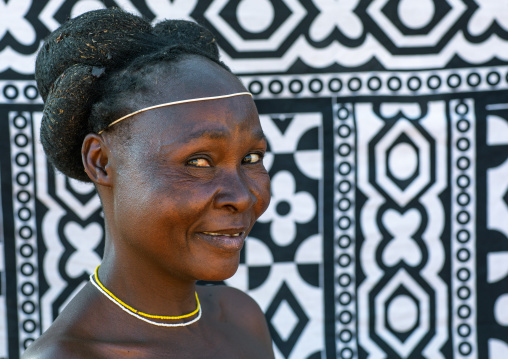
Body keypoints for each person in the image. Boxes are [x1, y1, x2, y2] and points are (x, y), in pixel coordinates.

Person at [22, 8, 274, 358]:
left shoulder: (242, 318)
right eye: (199, 162)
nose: (243, 197)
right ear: (101, 161)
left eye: (251, 159)